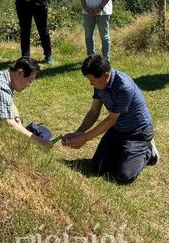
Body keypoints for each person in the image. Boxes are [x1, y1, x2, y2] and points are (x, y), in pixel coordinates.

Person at [63, 55, 159, 184]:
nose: (91, 83)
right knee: (97, 167)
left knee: (124, 176)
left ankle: (149, 151)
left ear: (106, 75)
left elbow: (111, 120)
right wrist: (78, 133)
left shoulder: (123, 87)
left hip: (137, 132)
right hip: (117, 130)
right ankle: (125, 153)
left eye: (92, 80)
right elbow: (93, 112)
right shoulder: (99, 84)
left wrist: (85, 138)